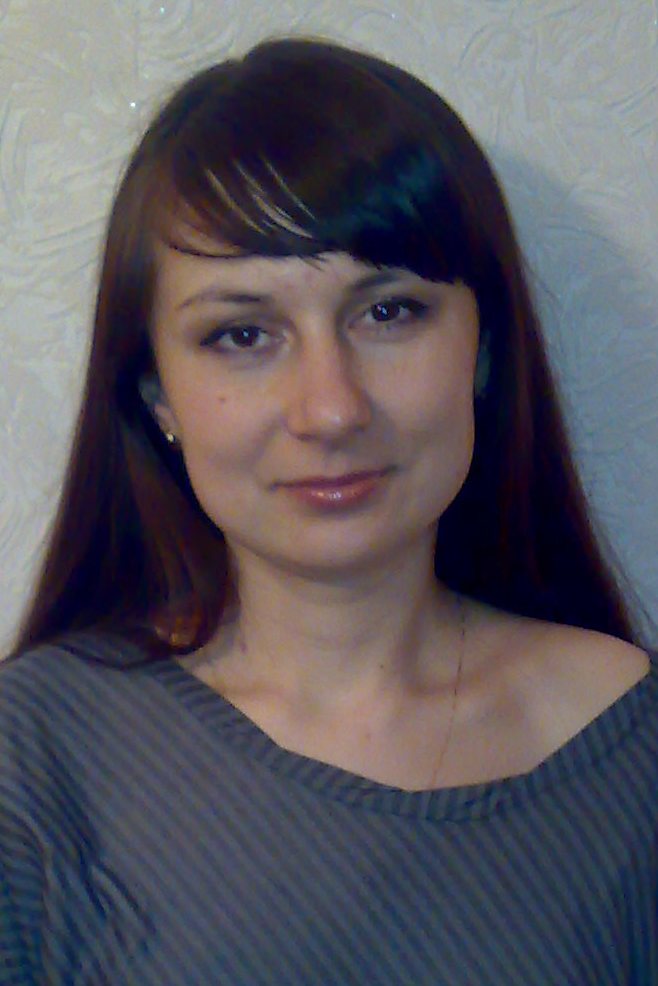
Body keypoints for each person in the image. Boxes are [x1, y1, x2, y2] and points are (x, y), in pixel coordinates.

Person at [1, 36, 656, 986]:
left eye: (388, 313)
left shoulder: (629, 749)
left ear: (482, 350)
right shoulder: (35, 760)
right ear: (156, 396)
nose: (331, 408)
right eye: (242, 334)